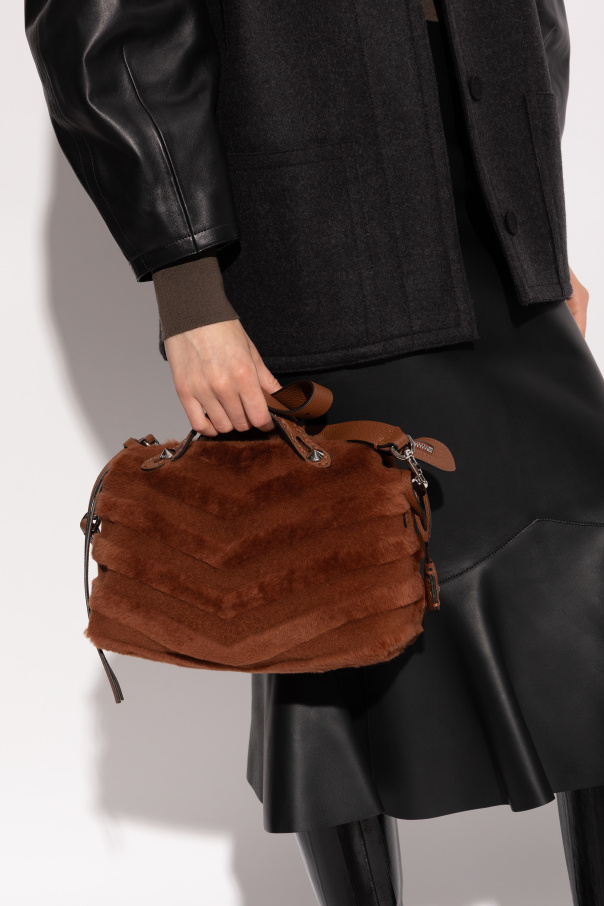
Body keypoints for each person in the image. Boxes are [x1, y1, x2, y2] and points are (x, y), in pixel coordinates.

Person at [25, 0, 604, 902]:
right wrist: (189, 294)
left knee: (591, 580)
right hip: (312, 220)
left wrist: (534, 218)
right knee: (331, 599)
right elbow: (105, 26)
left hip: (493, 211)